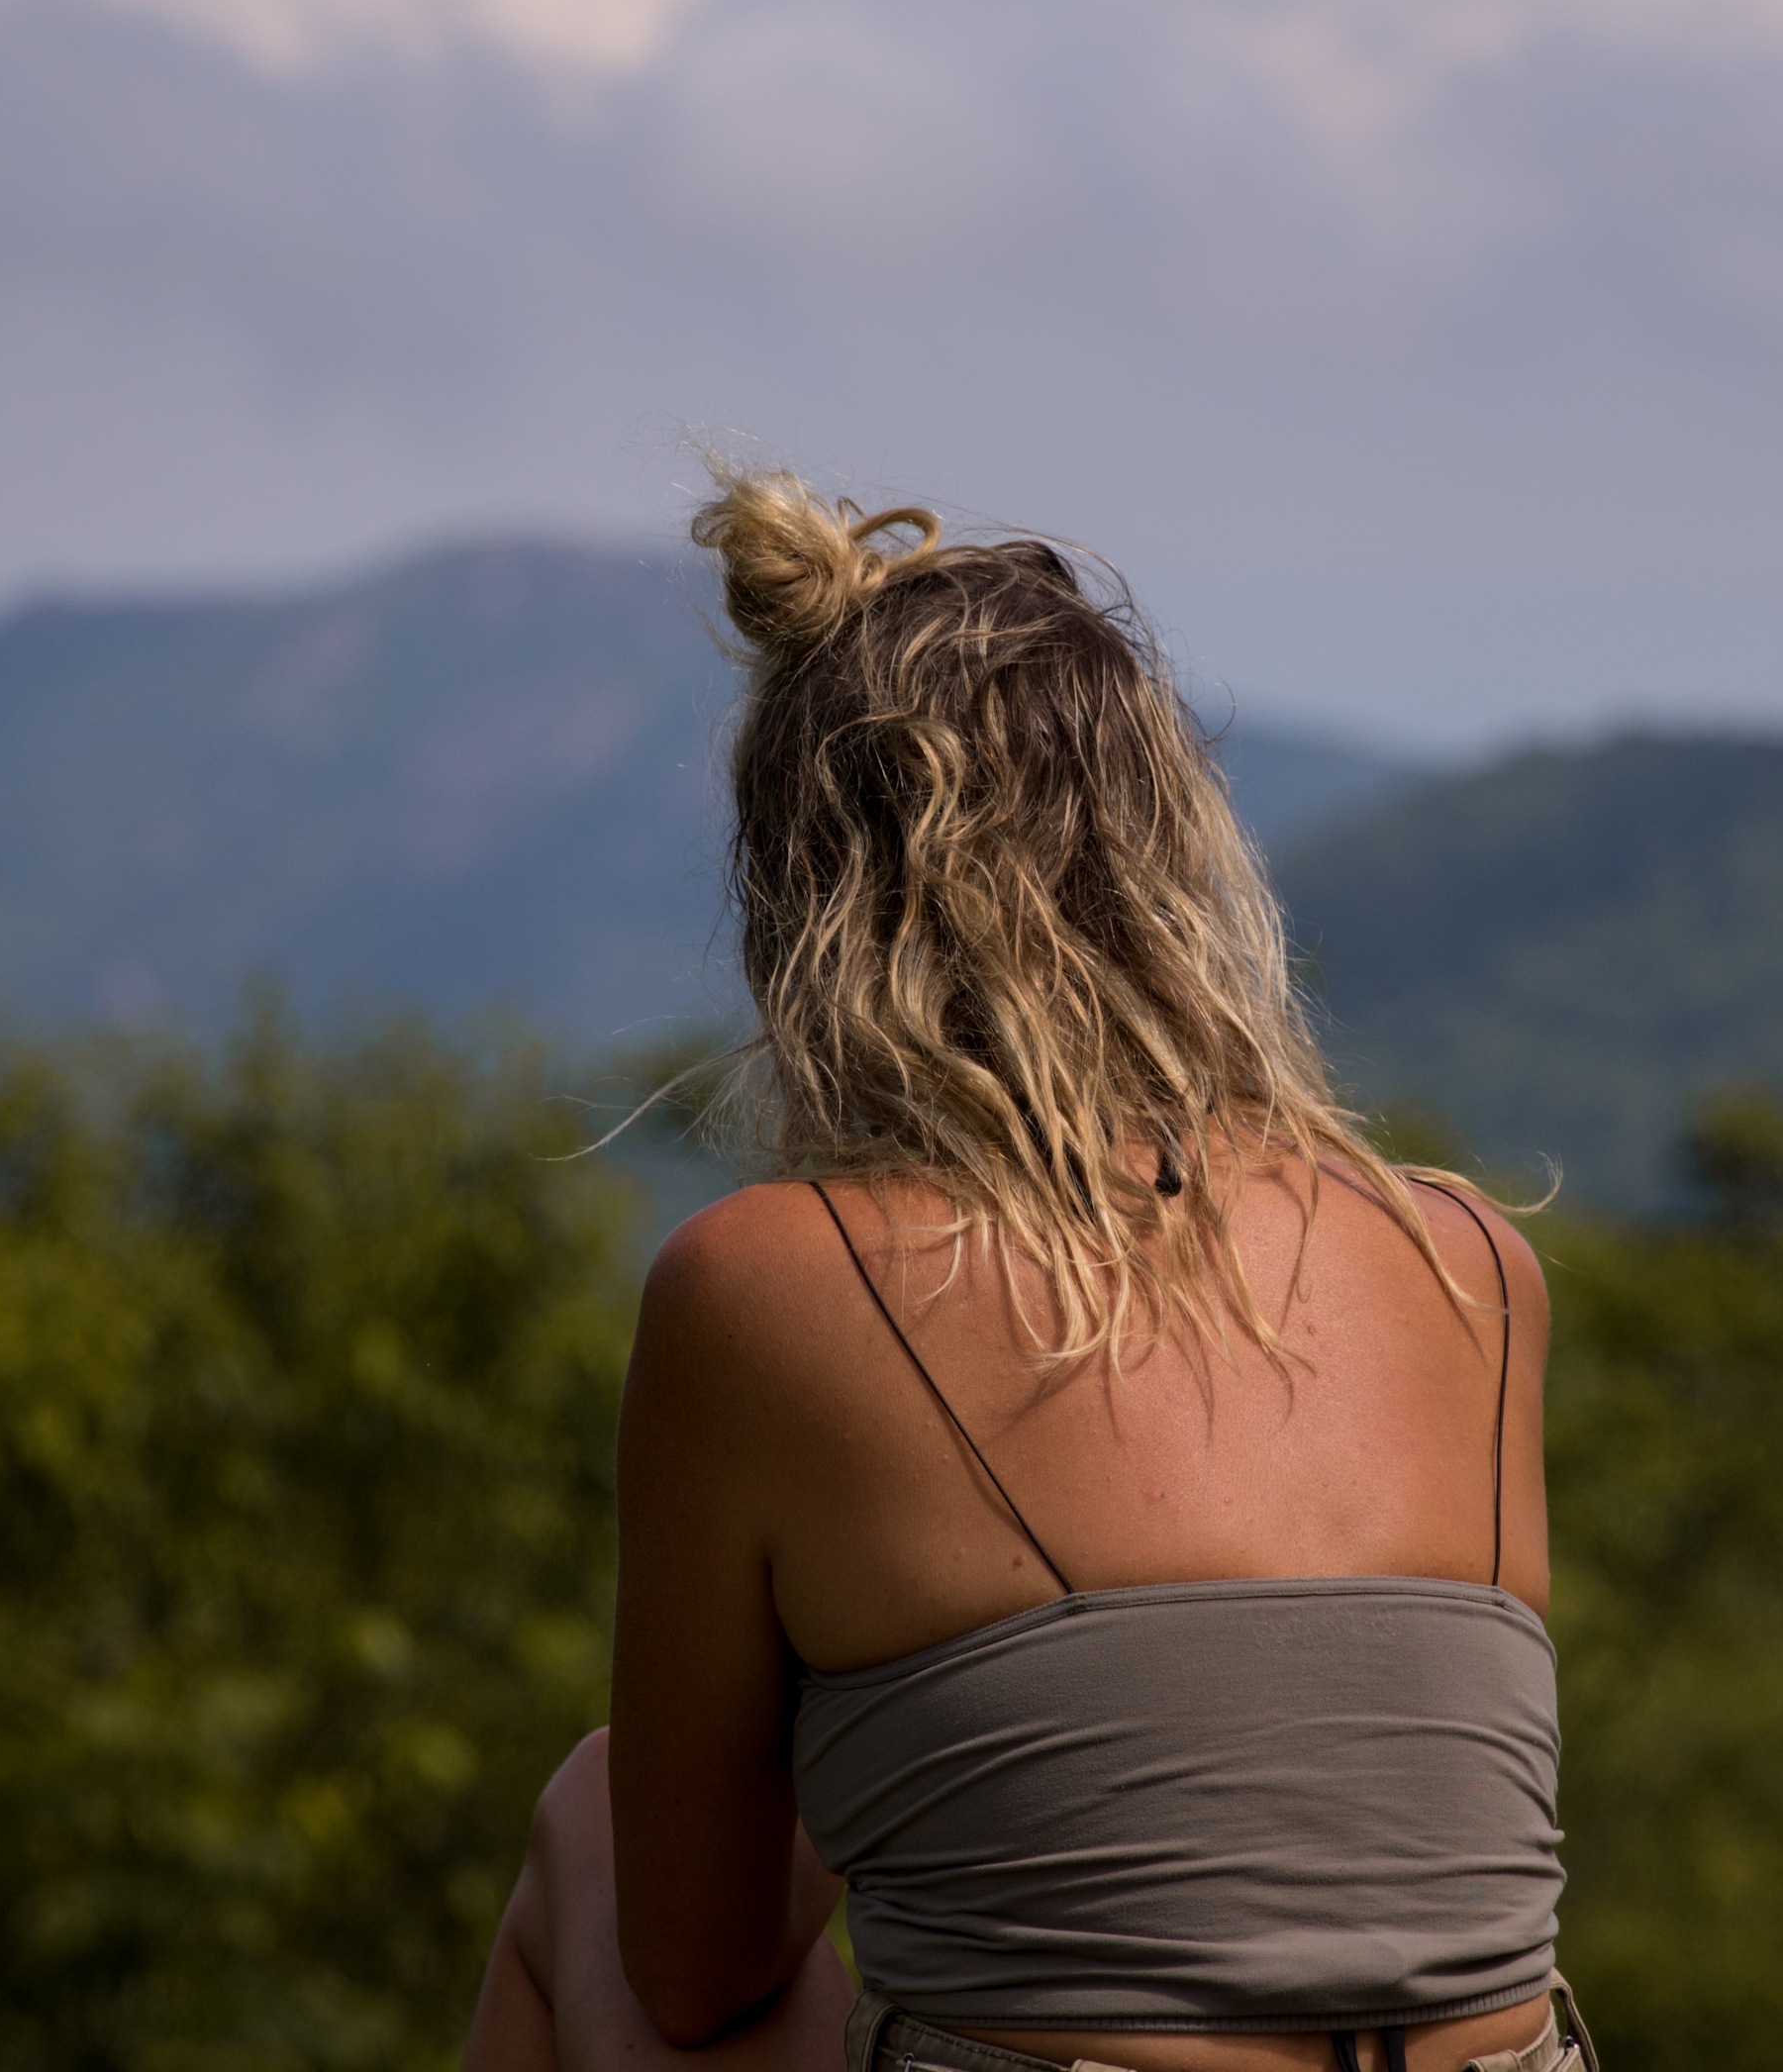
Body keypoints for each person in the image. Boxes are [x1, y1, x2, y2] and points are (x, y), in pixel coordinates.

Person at [466, 469, 1580, 2072]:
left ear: (811, 909)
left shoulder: (769, 1285)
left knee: (597, 1816)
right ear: (1177, 863)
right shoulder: (1468, 1262)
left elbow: (695, 1972)